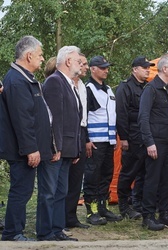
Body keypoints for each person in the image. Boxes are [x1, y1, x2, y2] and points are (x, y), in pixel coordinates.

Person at [0, 36, 51, 241]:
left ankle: (14, 230)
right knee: (21, 191)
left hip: (25, 147)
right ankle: (12, 232)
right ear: (29, 55)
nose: (42, 58)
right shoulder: (17, 80)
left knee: (23, 190)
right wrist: (31, 148)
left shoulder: (25, 78)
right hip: (21, 149)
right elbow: (22, 118)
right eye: (39, 55)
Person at [38, 46, 83, 241]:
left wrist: (75, 149)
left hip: (67, 149)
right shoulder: (55, 82)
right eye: (77, 60)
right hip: (56, 149)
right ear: (67, 61)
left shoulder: (69, 84)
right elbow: (53, 118)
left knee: (60, 192)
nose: (80, 64)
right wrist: (55, 147)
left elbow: (74, 120)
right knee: (49, 192)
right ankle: (46, 232)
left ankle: (57, 229)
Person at [138, 54, 168, 231]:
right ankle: (148, 217)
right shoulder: (151, 89)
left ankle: (165, 214)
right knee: (152, 180)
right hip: (155, 143)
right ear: (164, 69)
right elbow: (143, 118)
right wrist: (149, 142)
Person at [83, 56, 122, 225]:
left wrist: (115, 138)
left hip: (108, 141)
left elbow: (113, 115)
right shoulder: (88, 89)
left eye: (107, 67)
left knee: (106, 174)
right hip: (95, 141)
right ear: (93, 69)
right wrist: (86, 140)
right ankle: (91, 211)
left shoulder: (109, 90)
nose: (106, 70)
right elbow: (82, 117)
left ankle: (103, 207)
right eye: (103, 67)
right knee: (93, 175)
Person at [116, 56, 155, 220]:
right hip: (131, 137)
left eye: (148, 67)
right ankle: (124, 206)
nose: (148, 70)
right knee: (128, 172)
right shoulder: (125, 88)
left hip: (145, 137)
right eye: (144, 67)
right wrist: (123, 138)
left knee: (144, 173)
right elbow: (121, 114)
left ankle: (138, 203)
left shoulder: (147, 87)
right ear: (134, 69)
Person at [64, 53, 90, 230]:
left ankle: (71, 216)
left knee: (76, 177)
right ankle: (60, 217)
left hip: (81, 132)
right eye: (81, 63)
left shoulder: (82, 86)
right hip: (67, 133)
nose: (84, 67)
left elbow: (85, 116)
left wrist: (86, 138)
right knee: (64, 178)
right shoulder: (63, 84)